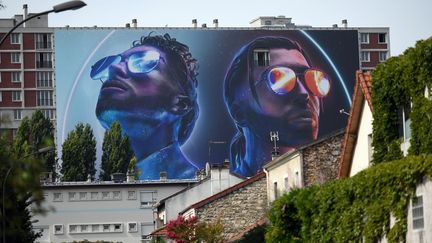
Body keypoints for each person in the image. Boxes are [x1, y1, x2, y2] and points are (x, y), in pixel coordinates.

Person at [91, 33, 199, 180]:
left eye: (142, 62)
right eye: (113, 62)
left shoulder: (195, 185)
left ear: (179, 104)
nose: (113, 69)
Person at [223, 36, 331, 177]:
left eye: (312, 79)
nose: (304, 93)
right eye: (279, 79)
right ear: (239, 112)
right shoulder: (232, 186)